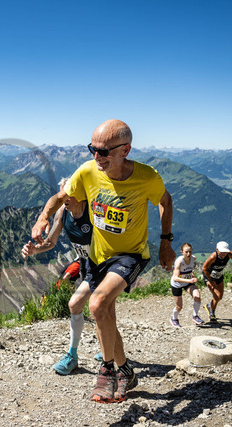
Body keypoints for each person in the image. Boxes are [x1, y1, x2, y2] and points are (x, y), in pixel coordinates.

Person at [31, 119, 175, 404]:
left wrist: (166, 241)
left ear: (125, 150)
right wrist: (43, 218)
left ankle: (107, 371)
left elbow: (165, 201)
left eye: (104, 151)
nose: (97, 156)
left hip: (131, 254)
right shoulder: (87, 172)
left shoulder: (146, 177)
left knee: (96, 305)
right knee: (105, 315)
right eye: (92, 149)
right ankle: (126, 372)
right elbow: (60, 197)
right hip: (98, 257)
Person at [22, 177, 94, 375]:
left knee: (82, 305)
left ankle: (74, 355)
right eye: (62, 195)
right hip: (85, 263)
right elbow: (51, 241)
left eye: (68, 195)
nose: (64, 199)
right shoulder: (62, 212)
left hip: (104, 265)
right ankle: (107, 350)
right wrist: (34, 250)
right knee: (98, 309)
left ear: (81, 194)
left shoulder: (93, 211)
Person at [202, 241, 232, 323]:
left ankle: (209, 306)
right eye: (222, 252)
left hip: (218, 275)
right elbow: (204, 268)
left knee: (220, 296)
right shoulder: (213, 257)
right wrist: (211, 280)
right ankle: (212, 313)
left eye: (225, 252)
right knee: (217, 295)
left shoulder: (230, 254)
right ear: (217, 250)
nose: (223, 254)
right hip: (209, 276)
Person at [170, 243, 204, 327]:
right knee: (179, 306)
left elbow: (190, 268)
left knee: (197, 297)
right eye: (186, 252)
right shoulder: (179, 262)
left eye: (190, 252)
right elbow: (175, 278)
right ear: (182, 252)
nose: (188, 254)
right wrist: (190, 280)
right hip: (177, 284)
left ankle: (195, 316)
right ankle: (174, 319)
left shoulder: (193, 258)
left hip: (187, 282)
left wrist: (192, 274)